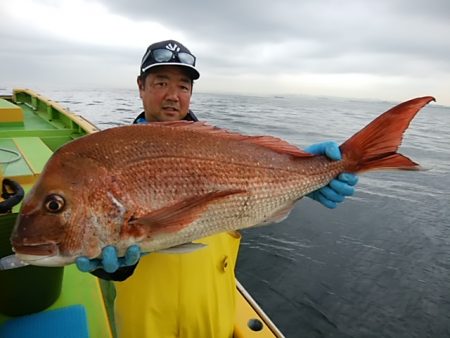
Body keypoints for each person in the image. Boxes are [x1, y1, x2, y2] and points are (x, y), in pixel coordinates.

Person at [75, 40, 358, 338]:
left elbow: (259, 199)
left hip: (213, 316)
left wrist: (304, 176)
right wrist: (112, 267)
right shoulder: (111, 161)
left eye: (183, 87)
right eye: (161, 82)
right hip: (145, 321)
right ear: (141, 86)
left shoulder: (225, 151)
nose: (173, 96)